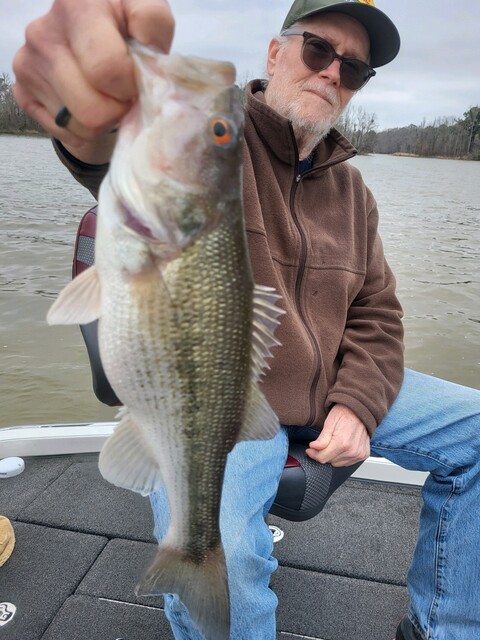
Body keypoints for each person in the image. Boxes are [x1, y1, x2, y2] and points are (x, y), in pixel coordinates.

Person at [13, 1, 480, 638]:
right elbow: (104, 149)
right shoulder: (219, 137)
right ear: (273, 53)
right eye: (318, 50)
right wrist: (85, 107)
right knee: (225, 555)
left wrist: (357, 405)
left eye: (355, 70)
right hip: (230, 401)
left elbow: (378, 314)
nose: (332, 74)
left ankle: (445, 626)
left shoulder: (355, 194)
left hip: (336, 389)